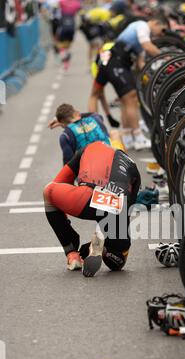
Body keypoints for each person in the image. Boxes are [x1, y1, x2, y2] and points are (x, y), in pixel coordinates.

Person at [43, 141, 141, 277]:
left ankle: (72, 254)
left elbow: (58, 182)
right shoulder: (131, 164)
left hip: (87, 196)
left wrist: (65, 223)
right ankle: (103, 248)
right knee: (117, 263)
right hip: (116, 203)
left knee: (49, 192)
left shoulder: (86, 149)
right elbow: (126, 211)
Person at [88, 12, 170, 151]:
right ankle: (137, 137)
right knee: (130, 97)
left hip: (110, 60)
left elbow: (140, 63)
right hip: (114, 62)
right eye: (163, 30)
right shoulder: (143, 26)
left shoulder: (142, 33)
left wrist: (153, 77)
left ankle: (126, 137)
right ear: (156, 22)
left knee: (114, 97)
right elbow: (148, 47)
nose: (162, 35)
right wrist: (167, 58)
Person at [48, 103, 118, 165]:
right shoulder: (95, 118)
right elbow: (93, 113)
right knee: (114, 133)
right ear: (77, 113)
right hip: (111, 162)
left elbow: (68, 163)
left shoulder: (66, 135)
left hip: (90, 172)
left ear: (62, 123)